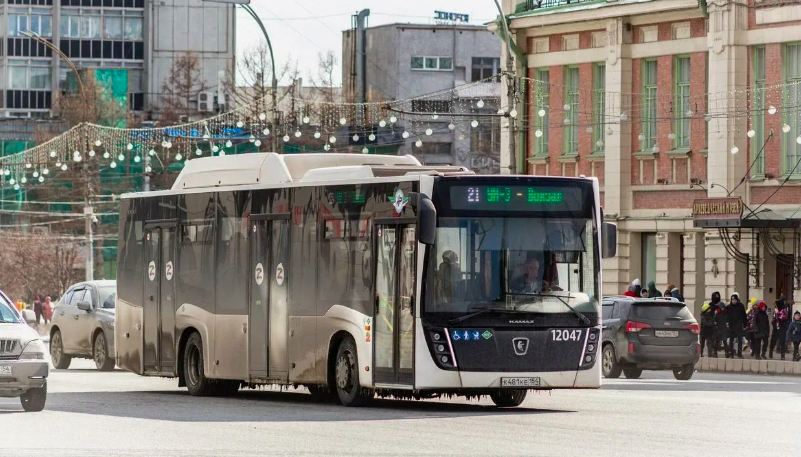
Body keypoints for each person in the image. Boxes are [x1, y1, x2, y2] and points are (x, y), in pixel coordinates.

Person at [726, 292, 747, 359]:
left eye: (735, 299)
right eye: (732, 300)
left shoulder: (741, 306)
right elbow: (726, 316)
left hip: (739, 324)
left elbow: (744, 315)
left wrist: (745, 324)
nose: (734, 301)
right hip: (731, 325)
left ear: (737, 300)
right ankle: (732, 353)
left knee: (740, 339)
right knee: (731, 339)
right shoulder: (729, 307)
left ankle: (739, 353)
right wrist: (727, 322)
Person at [710, 292, 728, 357]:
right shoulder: (717, 313)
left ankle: (727, 352)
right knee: (717, 341)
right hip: (718, 329)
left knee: (724, 340)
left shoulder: (725, 313)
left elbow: (727, 319)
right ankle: (715, 352)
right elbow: (714, 320)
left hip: (723, 328)